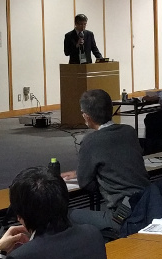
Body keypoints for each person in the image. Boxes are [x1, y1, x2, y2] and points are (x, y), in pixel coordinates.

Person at [64, 88, 150, 240]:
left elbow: (85, 183)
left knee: (64, 215)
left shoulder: (90, 142)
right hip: (148, 205)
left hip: (122, 217)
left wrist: (89, 173)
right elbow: (119, 161)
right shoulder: (129, 131)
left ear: (87, 116)